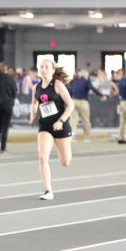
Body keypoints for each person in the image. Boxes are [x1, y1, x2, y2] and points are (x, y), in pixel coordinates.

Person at [28, 58, 75, 201]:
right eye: (41, 67)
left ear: (53, 70)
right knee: (42, 157)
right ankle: (48, 191)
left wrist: (61, 121)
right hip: (45, 126)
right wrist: (32, 114)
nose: (43, 69)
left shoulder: (58, 85)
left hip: (61, 125)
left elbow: (70, 105)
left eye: (46, 67)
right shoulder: (36, 87)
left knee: (65, 162)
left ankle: (63, 146)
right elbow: (34, 103)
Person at [0, 63, 18, 155]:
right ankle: (3, 148)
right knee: (5, 128)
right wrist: (11, 99)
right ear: (6, 69)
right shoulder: (10, 79)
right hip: (7, 105)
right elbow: (14, 92)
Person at [68, 69, 96, 141]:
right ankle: (87, 137)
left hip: (73, 101)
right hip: (83, 102)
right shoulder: (87, 81)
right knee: (85, 120)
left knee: (73, 120)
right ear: (86, 75)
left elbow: (70, 92)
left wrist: (68, 102)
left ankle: (72, 136)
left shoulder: (74, 81)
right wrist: (101, 95)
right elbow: (92, 88)